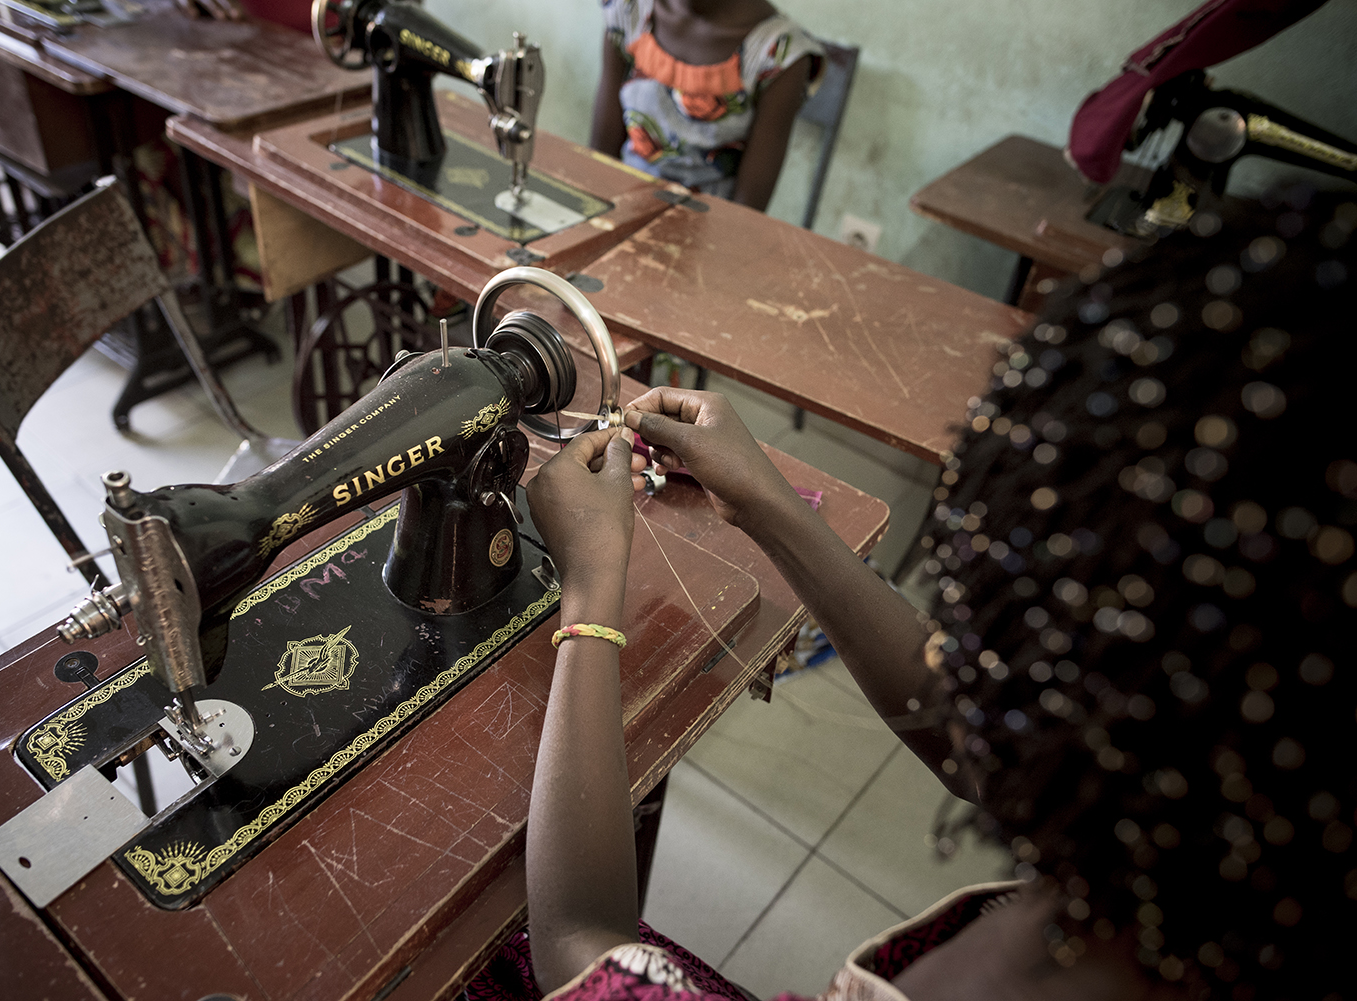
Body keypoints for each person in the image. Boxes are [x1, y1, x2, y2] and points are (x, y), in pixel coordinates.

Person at [473, 186, 1354, 1000]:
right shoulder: (1207, 854)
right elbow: (978, 736)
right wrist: (771, 504)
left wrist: (591, 592)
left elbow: (579, 949)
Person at [591, 0, 825, 211]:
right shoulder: (628, 10)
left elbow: (747, 212)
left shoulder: (781, 53)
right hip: (620, 207)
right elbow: (600, 161)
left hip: (712, 232)